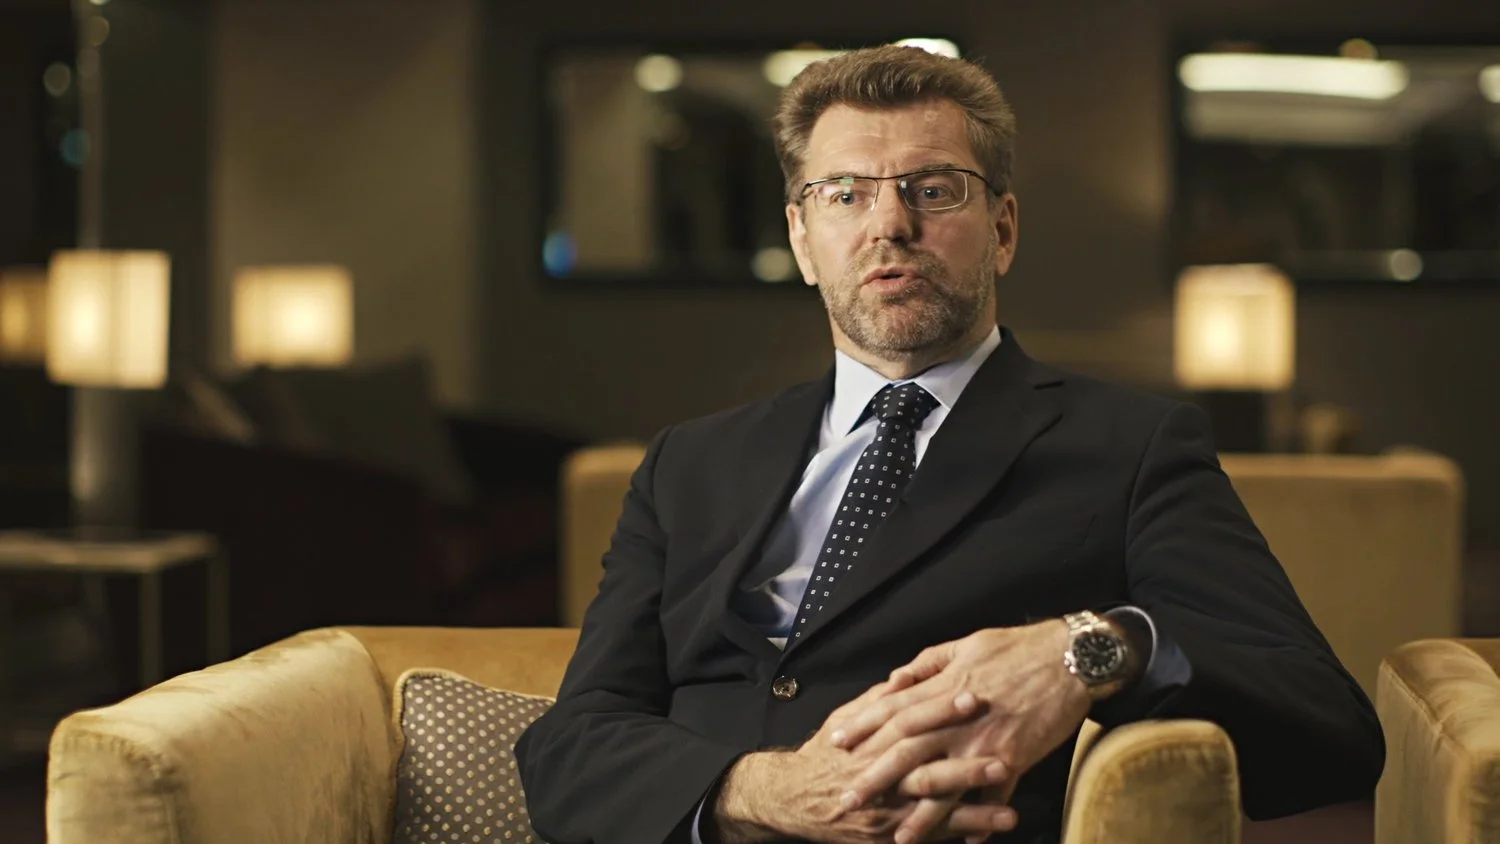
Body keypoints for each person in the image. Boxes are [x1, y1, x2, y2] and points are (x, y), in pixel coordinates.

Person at [516, 44, 1383, 844]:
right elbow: (571, 746)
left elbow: (1327, 725)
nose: (888, 224)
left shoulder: (1130, 447)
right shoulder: (688, 463)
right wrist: (764, 792)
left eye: (932, 189)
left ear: (1002, 231)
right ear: (801, 239)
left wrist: (1087, 650)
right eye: (845, 193)